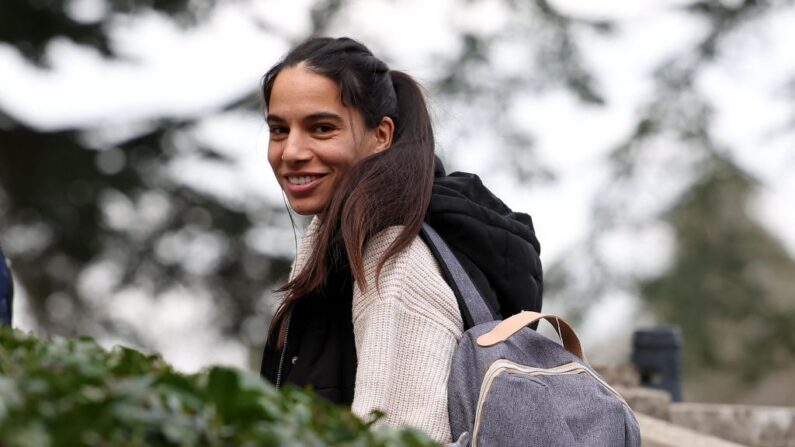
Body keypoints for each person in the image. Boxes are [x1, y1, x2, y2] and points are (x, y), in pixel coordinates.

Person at [259, 37, 542, 444]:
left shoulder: (391, 259)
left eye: (321, 128)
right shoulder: (333, 239)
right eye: (278, 130)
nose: (292, 151)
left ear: (381, 135)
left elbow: (402, 434)